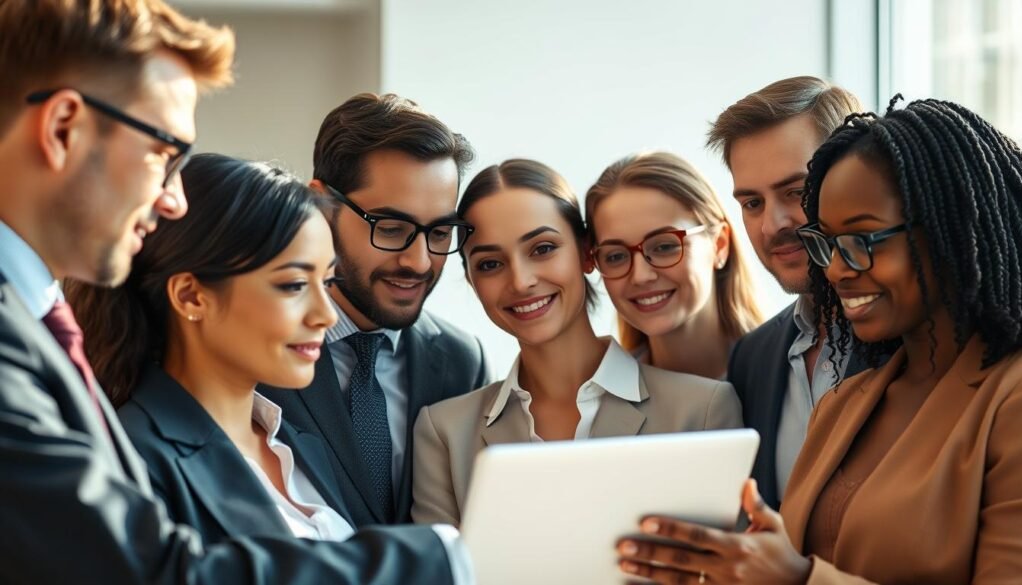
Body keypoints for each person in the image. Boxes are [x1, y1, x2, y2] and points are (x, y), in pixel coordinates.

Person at [0, 2, 466, 583]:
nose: (173, 200)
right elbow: (145, 570)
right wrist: (444, 558)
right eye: (163, 155)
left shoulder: (291, 440)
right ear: (63, 127)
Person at [617, 98, 1022, 584]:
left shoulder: (1009, 396)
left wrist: (797, 577)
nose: (833, 268)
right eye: (826, 243)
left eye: (863, 240)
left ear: (952, 228)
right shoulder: (848, 401)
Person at [410, 159, 743, 526]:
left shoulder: (703, 409)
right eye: (490, 264)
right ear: (472, 282)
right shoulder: (444, 431)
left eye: (542, 248)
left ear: (587, 255)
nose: (521, 282)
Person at [65, 153, 357, 543]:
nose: (327, 315)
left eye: (328, 281)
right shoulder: (133, 461)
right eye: (294, 285)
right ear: (191, 296)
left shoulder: (299, 443)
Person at [260, 93, 490, 528]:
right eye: (391, 228)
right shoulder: (252, 348)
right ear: (320, 204)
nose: (419, 262)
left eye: (440, 232)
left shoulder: (463, 363)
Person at [705, 76, 865, 509]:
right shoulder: (752, 359)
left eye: (795, 192)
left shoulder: (928, 342)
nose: (772, 224)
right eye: (751, 203)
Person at [585, 151, 762, 379]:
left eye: (664, 246)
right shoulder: (601, 403)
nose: (640, 276)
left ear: (719, 245)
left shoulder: (794, 374)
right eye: (615, 256)